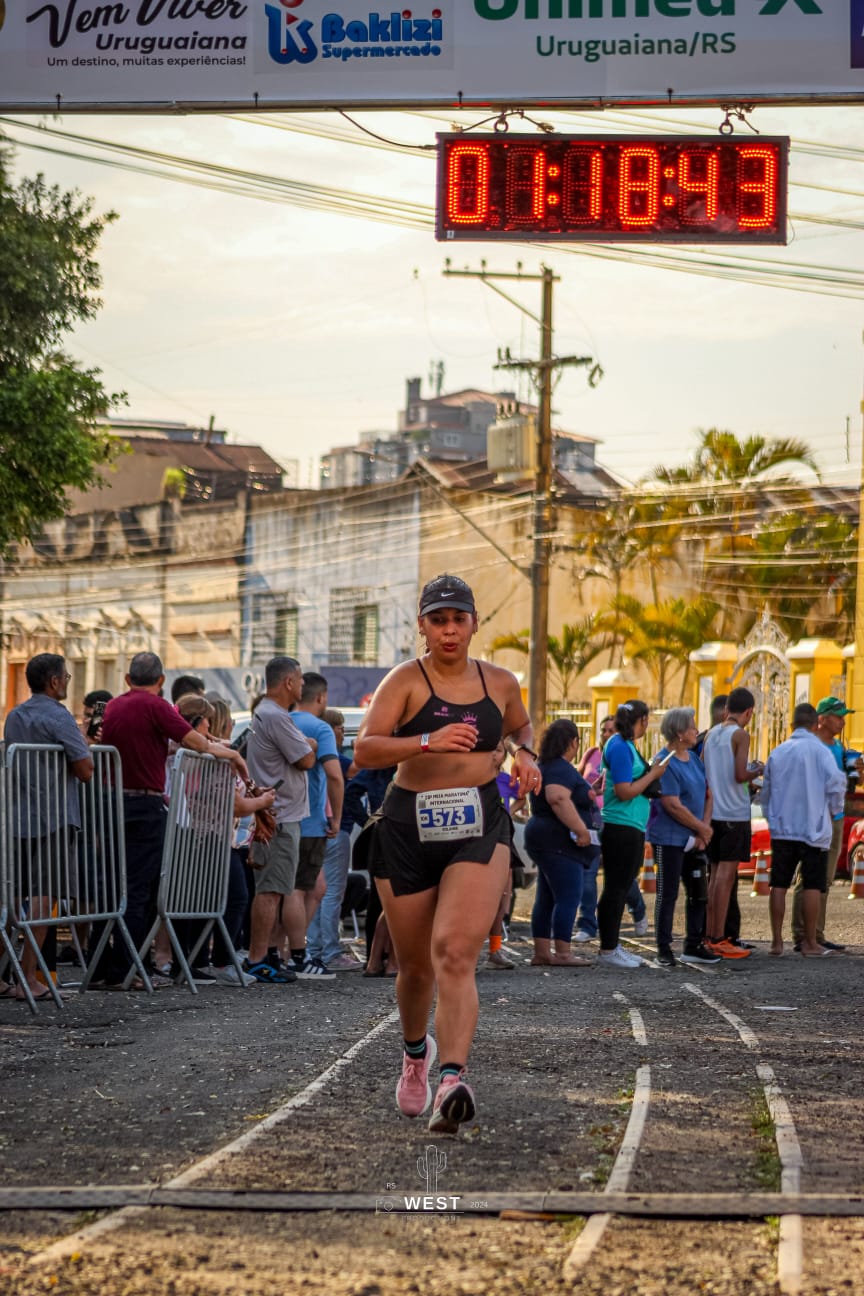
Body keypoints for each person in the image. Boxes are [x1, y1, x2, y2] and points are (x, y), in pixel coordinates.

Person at [353, 573, 539, 1135]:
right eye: (439, 620)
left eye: (459, 619)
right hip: (409, 826)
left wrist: (524, 754)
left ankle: (453, 1080)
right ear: (424, 626)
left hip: (478, 824)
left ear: (475, 623)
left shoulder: (501, 682)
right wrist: (427, 741)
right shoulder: (405, 681)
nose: (450, 630)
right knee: (414, 967)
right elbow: (365, 748)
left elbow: (520, 724)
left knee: (455, 952)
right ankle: (417, 1056)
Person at [94, 652, 246, 988]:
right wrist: (233, 753)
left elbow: (147, 746)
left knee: (117, 888)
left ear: (127, 678)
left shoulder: (115, 706)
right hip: (146, 807)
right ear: (161, 681)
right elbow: (195, 742)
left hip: (114, 803)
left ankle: (113, 966)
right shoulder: (157, 706)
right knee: (141, 891)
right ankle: (126, 970)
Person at [3, 654, 94, 1001]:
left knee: (11, 900)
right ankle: (29, 976)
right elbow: (85, 770)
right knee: (45, 897)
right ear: (55, 682)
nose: (68, 681)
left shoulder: (15, 715)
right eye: (67, 676)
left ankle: (7, 974)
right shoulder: (59, 716)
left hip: (17, 817)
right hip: (52, 818)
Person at [244, 656, 317, 984]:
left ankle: (270, 954)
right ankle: (258, 958)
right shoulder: (276, 716)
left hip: (280, 815)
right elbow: (305, 759)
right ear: (288, 682)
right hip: (279, 817)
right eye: (300, 680)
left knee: (277, 889)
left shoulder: (270, 714)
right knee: (271, 891)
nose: (302, 686)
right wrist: (310, 744)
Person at [760, 702, 847, 957]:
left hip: (783, 829)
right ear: (814, 724)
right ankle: (809, 942)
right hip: (813, 829)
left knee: (779, 884)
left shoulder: (779, 751)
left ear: (791, 724)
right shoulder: (820, 752)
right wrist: (833, 811)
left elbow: (765, 794)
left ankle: (776, 942)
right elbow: (836, 786)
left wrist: (772, 820)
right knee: (812, 885)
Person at [646, 707, 719, 968]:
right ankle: (664, 947)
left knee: (698, 892)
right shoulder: (664, 761)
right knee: (668, 893)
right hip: (670, 837)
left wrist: (704, 829)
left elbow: (708, 794)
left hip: (695, 837)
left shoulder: (694, 759)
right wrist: (701, 827)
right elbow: (671, 804)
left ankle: (693, 944)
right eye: (691, 727)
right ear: (679, 732)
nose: (696, 731)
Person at [596, 700, 665, 969]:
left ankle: (611, 945)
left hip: (631, 825)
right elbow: (624, 790)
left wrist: (650, 771)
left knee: (621, 885)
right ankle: (608, 949)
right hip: (621, 825)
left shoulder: (626, 746)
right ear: (643, 720)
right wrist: (654, 774)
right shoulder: (620, 746)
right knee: (616, 887)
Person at [283, 673, 343, 979]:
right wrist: (337, 816)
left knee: (316, 887)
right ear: (321, 698)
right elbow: (334, 774)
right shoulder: (319, 727)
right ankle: (296, 955)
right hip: (308, 823)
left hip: (287, 819)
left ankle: (289, 950)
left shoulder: (283, 721)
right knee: (300, 888)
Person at [524, 719, 596, 968]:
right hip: (558, 839)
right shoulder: (559, 768)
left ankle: (542, 952)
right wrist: (580, 830)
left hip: (543, 836)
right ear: (573, 742)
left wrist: (588, 790)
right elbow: (557, 798)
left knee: (546, 896)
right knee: (568, 895)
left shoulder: (547, 765)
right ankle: (563, 952)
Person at [790, 696, 857, 953]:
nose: (842, 721)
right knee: (806, 876)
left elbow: (843, 782)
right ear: (822, 719)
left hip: (836, 817)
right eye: (838, 716)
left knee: (825, 878)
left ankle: (816, 932)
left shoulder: (839, 747)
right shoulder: (812, 746)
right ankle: (800, 933)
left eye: (843, 716)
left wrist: (856, 774)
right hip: (815, 816)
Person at [701, 686, 763, 960]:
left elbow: (702, 766)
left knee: (715, 876)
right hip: (734, 813)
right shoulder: (740, 734)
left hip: (713, 812)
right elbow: (740, 775)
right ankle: (719, 938)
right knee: (726, 877)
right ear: (748, 711)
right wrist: (757, 770)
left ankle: (710, 934)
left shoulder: (712, 733)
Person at [574, 714, 646, 943]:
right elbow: (579, 782)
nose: (606, 734)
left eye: (611, 730)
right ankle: (587, 924)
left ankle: (637, 907)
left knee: (618, 877)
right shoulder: (593, 754)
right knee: (589, 873)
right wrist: (591, 789)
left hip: (617, 822)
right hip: (593, 821)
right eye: (604, 730)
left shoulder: (626, 752)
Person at [306, 707, 363, 972]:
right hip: (334, 828)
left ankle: (314, 949)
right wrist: (364, 743)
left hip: (316, 828)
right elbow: (357, 768)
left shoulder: (312, 754)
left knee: (317, 892)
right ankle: (330, 950)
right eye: (339, 726)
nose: (342, 731)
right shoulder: (336, 759)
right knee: (331, 893)